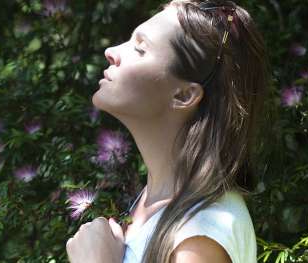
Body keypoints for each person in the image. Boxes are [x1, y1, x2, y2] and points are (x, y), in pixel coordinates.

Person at [66, 0, 270, 262]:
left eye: (140, 48)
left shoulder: (198, 235)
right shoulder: (155, 204)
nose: (111, 51)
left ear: (184, 95)